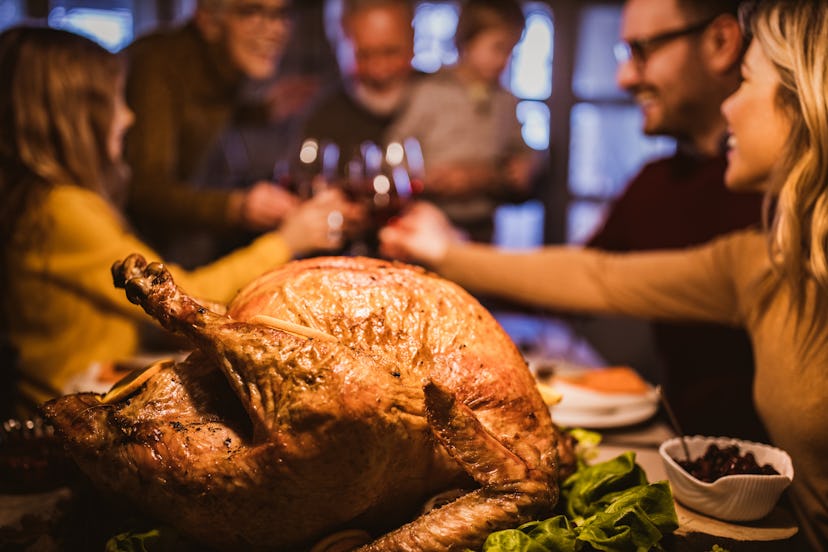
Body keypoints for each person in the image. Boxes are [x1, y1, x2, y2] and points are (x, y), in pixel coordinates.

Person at [380, 1, 828, 548]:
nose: (734, 103)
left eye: (748, 82)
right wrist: (446, 252)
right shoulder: (761, 256)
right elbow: (597, 275)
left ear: (807, 98)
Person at [0, 26, 361, 416]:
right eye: (115, 102)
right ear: (71, 117)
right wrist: (288, 240)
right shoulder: (62, 209)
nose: (129, 116)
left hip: (82, 388)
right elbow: (185, 296)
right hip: (70, 411)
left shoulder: (48, 201)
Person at [580, 0, 766, 440]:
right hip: (683, 459)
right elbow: (580, 276)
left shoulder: (793, 197)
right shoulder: (655, 181)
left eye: (642, 50)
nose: (624, 77)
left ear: (722, 43)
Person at [124, 0, 317, 268]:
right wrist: (237, 207)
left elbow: (198, 109)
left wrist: (261, 112)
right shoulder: (157, 66)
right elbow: (144, 190)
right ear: (207, 19)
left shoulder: (220, 65)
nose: (275, 29)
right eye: (251, 11)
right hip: (132, 256)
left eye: (281, 13)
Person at [385, 0, 536, 242]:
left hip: (483, 226)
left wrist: (527, 163)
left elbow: (520, 149)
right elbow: (396, 147)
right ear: (466, 40)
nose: (504, 60)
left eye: (511, 51)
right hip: (430, 219)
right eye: (498, 48)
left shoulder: (506, 100)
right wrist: (423, 178)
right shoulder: (430, 91)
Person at [300, 0, 418, 170]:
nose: (379, 70)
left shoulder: (444, 101)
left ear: (412, 42)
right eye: (364, 55)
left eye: (391, 52)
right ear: (338, 49)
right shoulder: (321, 120)